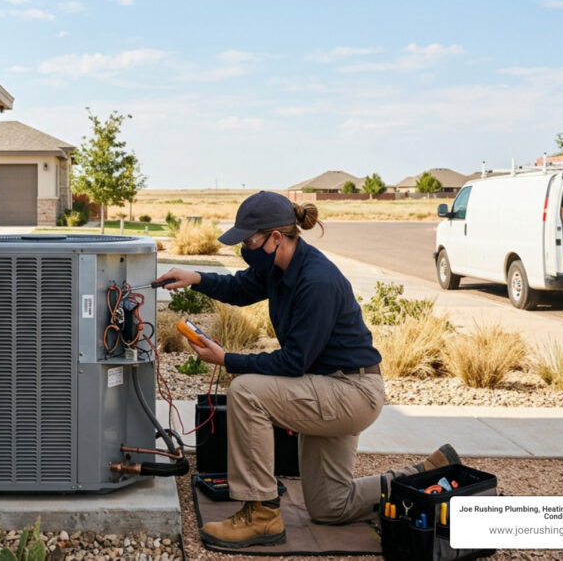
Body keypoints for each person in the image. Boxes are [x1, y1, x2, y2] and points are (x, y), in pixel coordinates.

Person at [159, 190, 459, 549]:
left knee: (246, 392)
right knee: (331, 507)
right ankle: (422, 477)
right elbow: (239, 287)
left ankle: (261, 514)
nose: (244, 248)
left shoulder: (316, 280)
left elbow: (292, 362)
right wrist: (196, 277)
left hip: (351, 393)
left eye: (249, 240)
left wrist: (227, 360)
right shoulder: (278, 266)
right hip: (326, 386)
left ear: (275, 238)